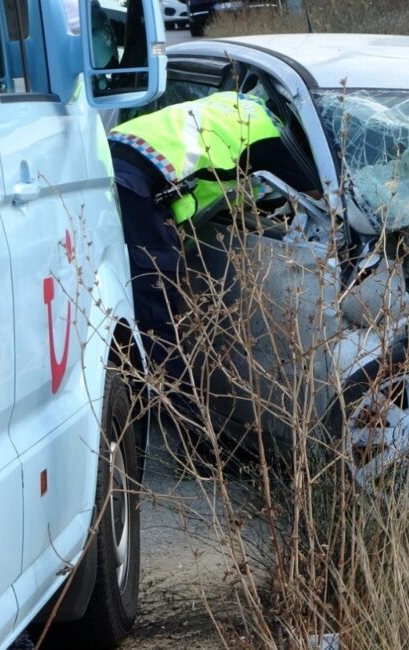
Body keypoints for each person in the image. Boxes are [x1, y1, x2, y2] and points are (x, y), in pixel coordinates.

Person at [109, 91, 316, 440]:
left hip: (113, 155)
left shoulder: (245, 102)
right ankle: (193, 438)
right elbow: (322, 193)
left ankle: (145, 404)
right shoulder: (274, 142)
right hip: (133, 180)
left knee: (132, 297)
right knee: (158, 310)